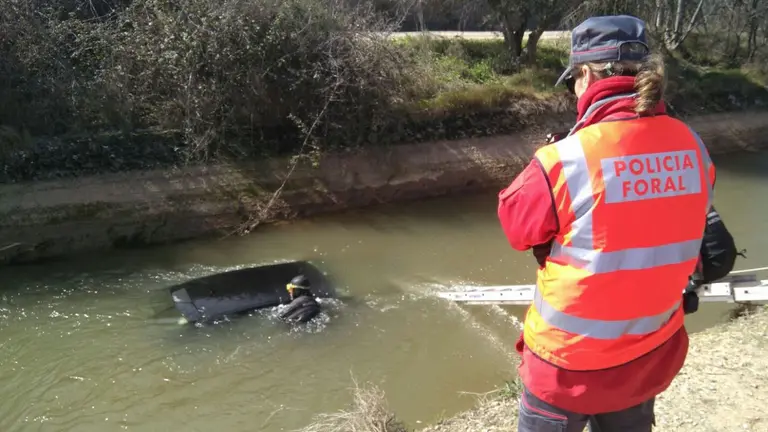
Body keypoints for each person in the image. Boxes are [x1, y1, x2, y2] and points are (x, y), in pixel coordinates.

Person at [496, 15, 722, 432]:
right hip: (645, 359)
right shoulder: (693, 147)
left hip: (564, 370)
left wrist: (553, 156)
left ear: (584, 74)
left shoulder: (563, 161)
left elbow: (516, 227)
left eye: (573, 82)